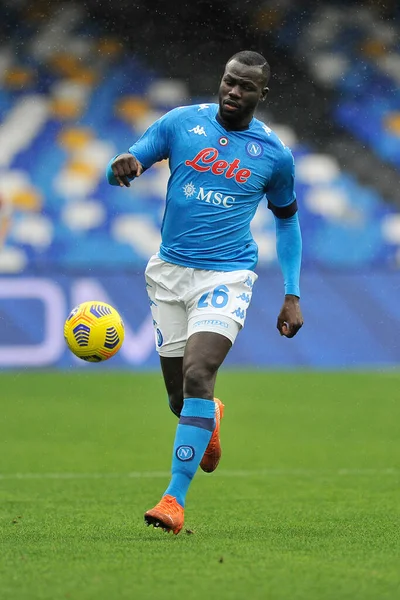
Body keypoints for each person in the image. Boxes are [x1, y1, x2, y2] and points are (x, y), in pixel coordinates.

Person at [106, 50, 303, 535]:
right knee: (182, 398)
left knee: (199, 371)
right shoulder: (180, 123)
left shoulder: (274, 155)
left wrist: (292, 293)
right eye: (229, 82)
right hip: (169, 273)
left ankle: (174, 499)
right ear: (222, 80)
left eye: (246, 87)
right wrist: (122, 166)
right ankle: (207, 413)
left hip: (227, 276)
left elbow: (288, 220)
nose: (234, 92)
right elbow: (122, 167)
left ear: (262, 95)